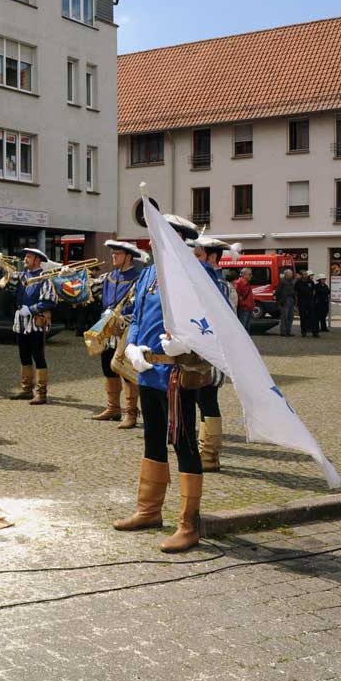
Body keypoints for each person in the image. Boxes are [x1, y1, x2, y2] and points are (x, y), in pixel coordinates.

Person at [116, 214, 204, 553]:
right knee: (152, 439)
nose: (151, 242)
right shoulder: (149, 273)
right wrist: (133, 345)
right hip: (149, 371)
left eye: (158, 235)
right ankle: (149, 510)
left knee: (183, 443)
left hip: (177, 373)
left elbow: (211, 320)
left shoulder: (194, 273)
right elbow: (138, 316)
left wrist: (187, 341)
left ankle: (189, 524)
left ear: (177, 238)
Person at [189, 237, 236, 472]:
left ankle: (209, 455)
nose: (194, 261)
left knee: (207, 399)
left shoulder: (222, 286)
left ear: (213, 257)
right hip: (197, 350)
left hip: (214, 352)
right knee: (199, 399)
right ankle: (203, 450)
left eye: (198, 256)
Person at [89, 241, 145, 426]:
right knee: (107, 368)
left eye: (117, 254)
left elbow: (140, 307)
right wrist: (70, 278)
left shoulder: (138, 279)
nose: (113, 256)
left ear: (128, 257)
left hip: (125, 331)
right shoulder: (108, 277)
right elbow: (88, 289)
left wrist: (122, 318)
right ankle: (113, 408)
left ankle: (130, 413)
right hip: (107, 330)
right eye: (113, 253)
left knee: (126, 371)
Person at [6, 248, 57, 404]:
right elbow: (8, 288)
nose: (25, 259)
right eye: (25, 257)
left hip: (36, 322)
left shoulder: (45, 278)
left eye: (29, 257)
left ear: (37, 260)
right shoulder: (22, 276)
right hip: (21, 322)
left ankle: (41, 393)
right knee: (24, 355)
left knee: (38, 356)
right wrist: (1, 269)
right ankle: (26, 389)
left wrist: (31, 309)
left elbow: (50, 301)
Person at [295, 270, 318, 339]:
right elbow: (296, 293)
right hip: (302, 302)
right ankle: (304, 332)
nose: (305, 275)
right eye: (304, 274)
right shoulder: (298, 282)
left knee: (313, 317)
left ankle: (315, 332)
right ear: (301, 275)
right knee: (303, 317)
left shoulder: (310, 282)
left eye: (306, 274)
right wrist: (296, 304)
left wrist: (313, 299)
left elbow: (314, 290)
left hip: (310, 302)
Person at [275, 269, 295, 337]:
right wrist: (280, 301)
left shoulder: (291, 281)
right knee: (284, 317)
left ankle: (288, 331)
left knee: (290, 317)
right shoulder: (282, 281)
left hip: (291, 299)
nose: (292, 275)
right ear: (286, 274)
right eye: (290, 274)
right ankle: (283, 332)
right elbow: (277, 292)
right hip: (285, 300)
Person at [234, 267, 255, 332]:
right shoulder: (239, 283)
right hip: (244, 309)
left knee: (247, 328)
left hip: (249, 308)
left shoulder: (246, 283)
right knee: (243, 328)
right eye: (250, 274)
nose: (251, 276)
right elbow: (237, 295)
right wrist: (244, 304)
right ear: (244, 275)